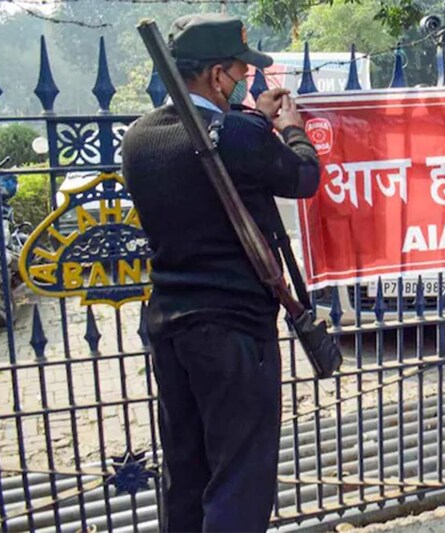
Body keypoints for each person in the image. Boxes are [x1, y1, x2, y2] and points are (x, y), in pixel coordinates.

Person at [121, 14, 320, 531]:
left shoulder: (139, 139)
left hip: (170, 328)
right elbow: (303, 176)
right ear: (215, 76)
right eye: (240, 71)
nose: (245, 81)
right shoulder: (237, 134)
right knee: (240, 483)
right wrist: (290, 128)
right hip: (235, 334)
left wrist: (253, 119)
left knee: (186, 477)